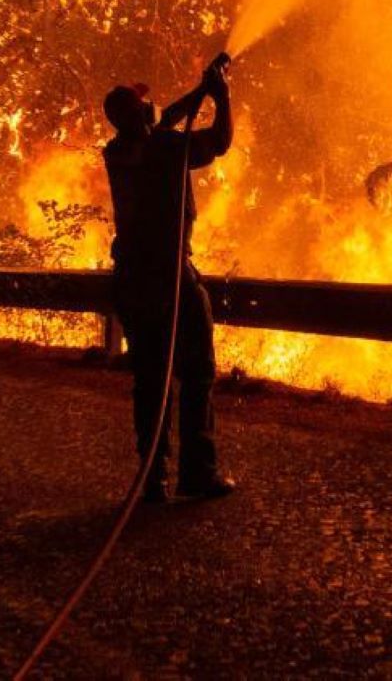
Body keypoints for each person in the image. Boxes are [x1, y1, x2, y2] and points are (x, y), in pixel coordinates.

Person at [102, 55, 236, 503]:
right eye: (145, 105)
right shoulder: (167, 149)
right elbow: (220, 140)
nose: (150, 107)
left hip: (134, 283)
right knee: (197, 374)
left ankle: (152, 478)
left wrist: (197, 93)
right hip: (172, 280)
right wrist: (221, 95)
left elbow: (162, 120)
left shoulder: (118, 151)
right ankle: (198, 473)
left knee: (151, 381)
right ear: (139, 115)